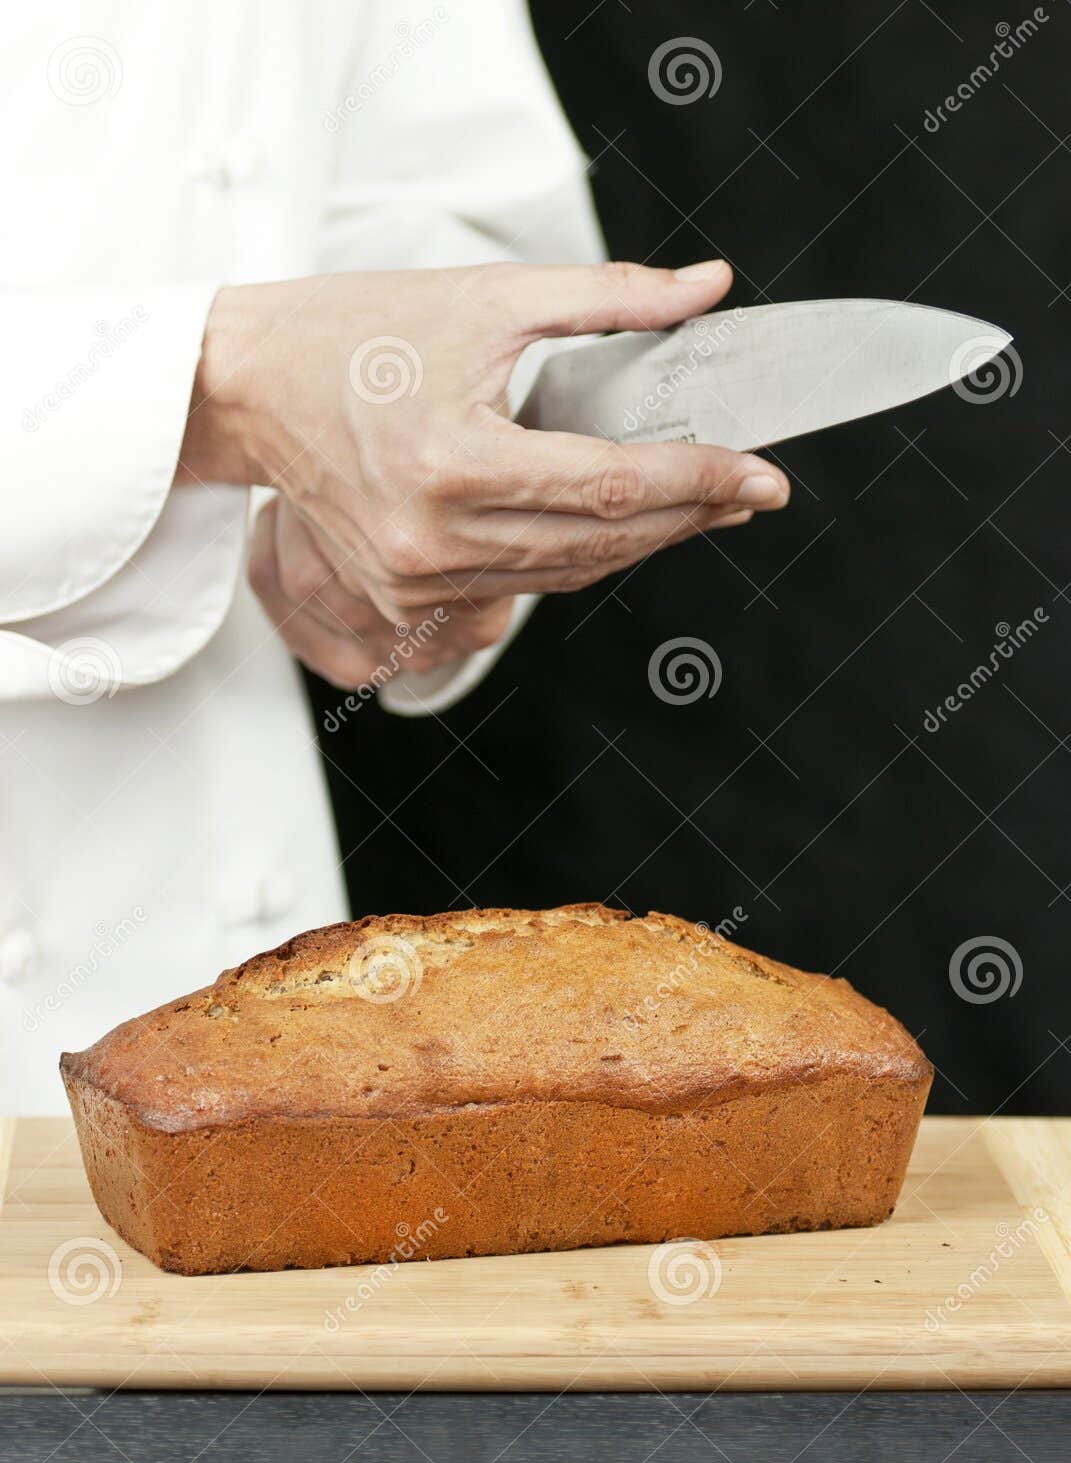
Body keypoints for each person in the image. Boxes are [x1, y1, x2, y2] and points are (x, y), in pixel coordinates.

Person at [1, 1, 789, 1113]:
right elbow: (249, 377)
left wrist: (433, 478)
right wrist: (214, 392)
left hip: (224, 904)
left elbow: (439, 202)